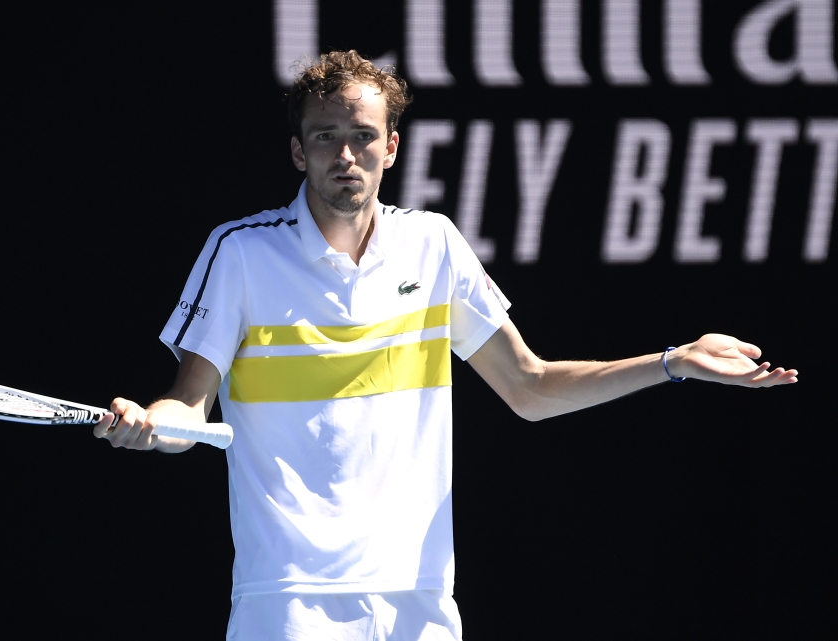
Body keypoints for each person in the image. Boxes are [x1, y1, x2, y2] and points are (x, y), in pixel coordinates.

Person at [92, 50, 797, 640]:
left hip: (420, 601)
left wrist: (673, 361)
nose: (346, 153)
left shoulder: (433, 246)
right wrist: (154, 427)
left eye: (363, 135)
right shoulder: (240, 252)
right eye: (326, 135)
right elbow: (189, 406)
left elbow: (530, 386)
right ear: (297, 149)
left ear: (392, 146)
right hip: (288, 599)